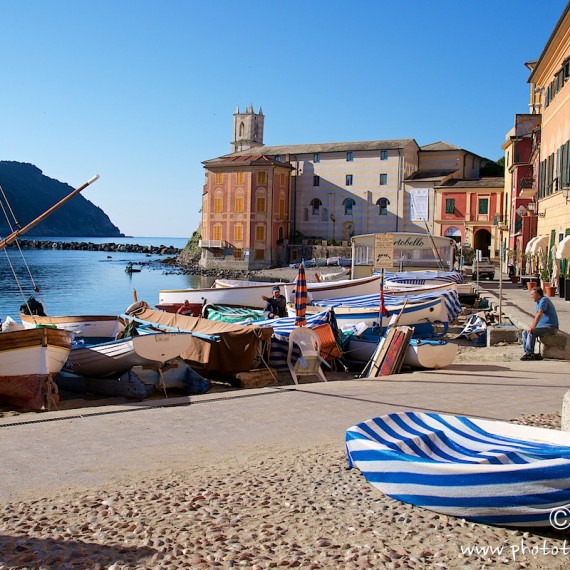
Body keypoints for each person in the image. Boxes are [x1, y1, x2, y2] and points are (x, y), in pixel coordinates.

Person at [521, 286, 559, 361]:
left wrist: (533, 327)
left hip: (551, 327)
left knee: (532, 332)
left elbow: (539, 314)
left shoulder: (544, 300)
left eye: (532, 295)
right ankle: (527, 351)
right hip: (543, 327)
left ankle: (530, 354)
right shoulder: (538, 302)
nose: (531, 297)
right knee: (524, 332)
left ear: (538, 294)